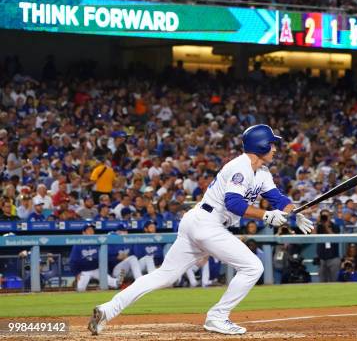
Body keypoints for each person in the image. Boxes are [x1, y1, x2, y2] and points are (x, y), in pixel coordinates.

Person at [89, 124, 314, 335]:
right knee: (253, 267)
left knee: (163, 276)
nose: (275, 148)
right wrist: (266, 215)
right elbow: (233, 203)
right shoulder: (240, 167)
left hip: (198, 222)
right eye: (272, 144)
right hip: (208, 223)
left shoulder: (262, 172)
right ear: (261, 145)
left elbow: (277, 199)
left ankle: (108, 309)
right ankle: (218, 316)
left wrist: (294, 212)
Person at [69, 224, 124, 291]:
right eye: (89, 230)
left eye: (92, 230)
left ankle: (117, 280)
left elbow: (106, 255)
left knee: (114, 283)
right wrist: (76, 273)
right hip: (84, 271)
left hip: (96, 269)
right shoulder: (78, 244)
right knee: (80, 289)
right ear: (83, 233)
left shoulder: (98, 241)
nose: (91, 231)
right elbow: (73, 260)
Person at [315, 209, 341, 282]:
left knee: (334, 280)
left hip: (333, 257)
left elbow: (335, 238)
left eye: (327, 216)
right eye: (323, 216)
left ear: (330, 217)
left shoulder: (335, 226)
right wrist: (316, 223)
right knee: (322, 281)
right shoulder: (319, 227)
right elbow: (312, 236)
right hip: (321, 257)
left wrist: (326, 226)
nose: (325, 218)